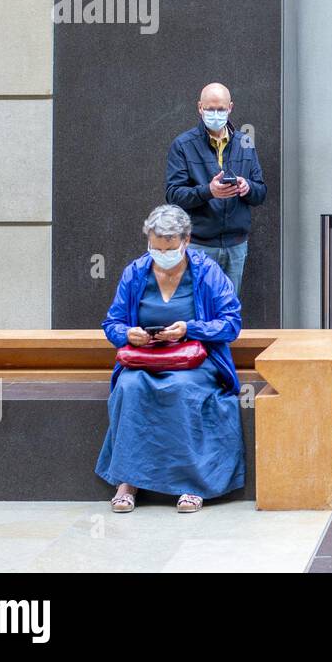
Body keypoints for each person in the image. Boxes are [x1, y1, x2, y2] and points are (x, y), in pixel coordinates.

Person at [97, 204, 245, 513]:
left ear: (186, 241)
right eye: (156, 247)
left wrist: (189, 329)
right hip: (145, 358)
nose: (162, 254)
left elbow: (231, 324)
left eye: (170, 248)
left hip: (194, 360)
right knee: (129, 388)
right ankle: (128, 481)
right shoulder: (135, 273)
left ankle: (191, 483)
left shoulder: (207, 272)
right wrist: (128, 334)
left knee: (181, 389)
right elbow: (112, 324)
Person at [165, 82, 266, 298]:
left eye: (221, 109)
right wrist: (208, 191)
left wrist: (247, 188)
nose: (215, 114)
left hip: (236, 246)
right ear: (200, 108)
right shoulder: (183, 145)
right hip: (199, 246)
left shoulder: (245, 143)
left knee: (228, 310)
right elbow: (174, 195)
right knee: (197, 309)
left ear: (230, 107)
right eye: (210, 109)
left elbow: (261, 192)